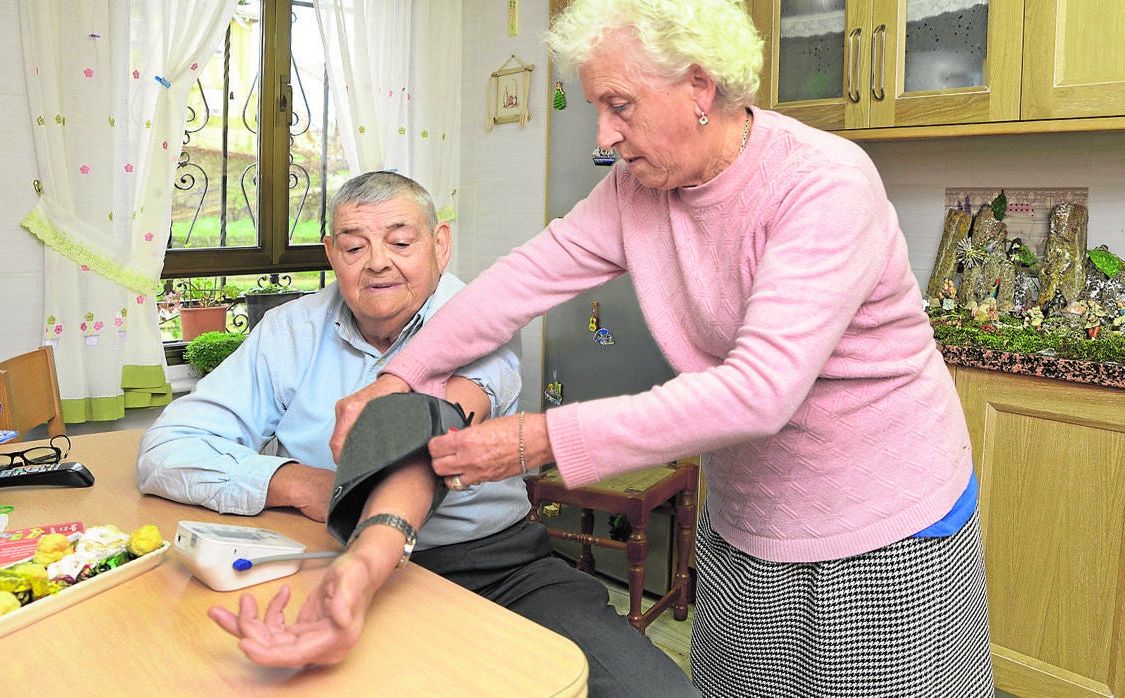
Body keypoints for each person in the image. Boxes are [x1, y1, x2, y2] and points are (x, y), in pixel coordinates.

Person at [329, 2, 994, 696]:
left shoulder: (822, 183)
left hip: (881, 520)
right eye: (595, 107)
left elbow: (757, 391)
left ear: (700, 88)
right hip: (751, 510)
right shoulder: (634, 190)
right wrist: (398, 375)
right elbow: (522, 279)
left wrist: (536, 439)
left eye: (619, 106)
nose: (604, 134)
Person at [136, 171, 696, 696]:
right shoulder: (289, 330)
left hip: (491, 566)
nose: (377, 264)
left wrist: (366, 549)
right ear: (332, 254)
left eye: (401, 243)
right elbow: (166, 449)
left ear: (440, 244)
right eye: (354, 248)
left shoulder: (478, 315)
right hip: (324, 554)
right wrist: (298, 482)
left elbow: (431, 440)